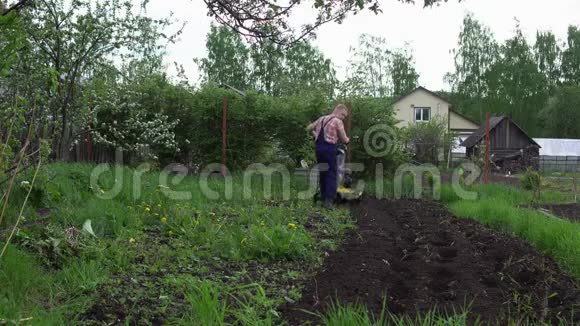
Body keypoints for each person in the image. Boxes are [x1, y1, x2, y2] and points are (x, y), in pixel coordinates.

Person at [306, 104, 350, 207]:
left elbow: (309, 128)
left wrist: (315, 135)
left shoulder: (322, 119)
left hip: (319, 149)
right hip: (329, 149)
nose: (343, 118)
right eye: (343, 115)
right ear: (339, 111)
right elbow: (343, 138)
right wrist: (347, 141)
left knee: (323, 173)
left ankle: (323, 196)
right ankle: (329, 201)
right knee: (331, 173)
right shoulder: (338, 121)